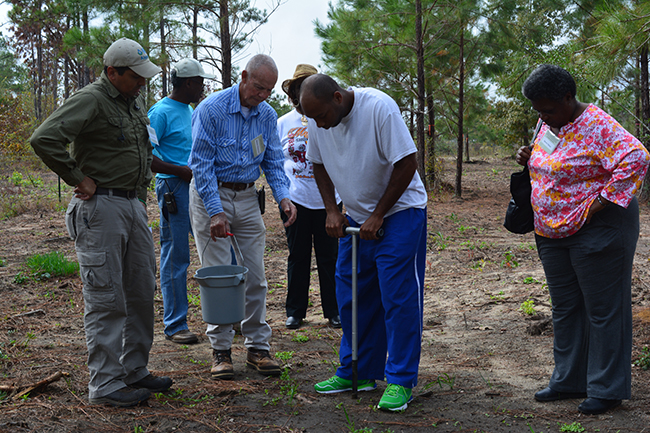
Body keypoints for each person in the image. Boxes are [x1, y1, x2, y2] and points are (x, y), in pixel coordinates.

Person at [29, 38, 173, 407]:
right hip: (101, 209)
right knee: (107, 298)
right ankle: (106, 384)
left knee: (141, 291)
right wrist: (78, 177)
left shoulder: (133, 101)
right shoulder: (91, 99)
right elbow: (44, 138)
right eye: (136, 76)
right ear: (112, 72)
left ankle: (133, 369)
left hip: (132, 205)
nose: (142, 82)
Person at [516, 64, 650, 415]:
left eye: (548, 108)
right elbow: (550, 154)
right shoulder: (551, 121)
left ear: (567, 97)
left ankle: (606, 388)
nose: (543, 116)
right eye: (538, 111)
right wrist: (529, 157)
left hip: (598, 229)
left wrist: (602, 202)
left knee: (604, 310)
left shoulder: (598, 124)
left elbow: (636, 157)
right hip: (551, 230)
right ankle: (569, 379)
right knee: (566, 308)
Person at [300, 74, 428, 412]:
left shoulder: (379, 108)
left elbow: (407, 162)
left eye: (322, 116)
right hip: (355, 217)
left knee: (397, 297)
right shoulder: (317, 118)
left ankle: (400, 380)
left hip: (400, 212)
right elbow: (318, 164)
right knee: (353, 294)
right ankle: (357, 370)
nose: (319, 125)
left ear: (338, 98)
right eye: (313, 118)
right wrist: (332, 209)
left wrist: (379, 214)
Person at [188, 54, 297, 380]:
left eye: (269, 90)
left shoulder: (266, 115)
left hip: (248, 197)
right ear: (244, 76)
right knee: (220, 275)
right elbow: (201, 164)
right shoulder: (211, 109)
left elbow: (274, 161)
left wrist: (283, 197)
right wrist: (216, 211)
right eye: (259, 88)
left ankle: (257, 348)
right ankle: (220, 350)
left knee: (255, 275)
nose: (263, 95)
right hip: (212, 196)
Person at [149, 58, 214, 345]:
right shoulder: (161, 112)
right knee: (176, 256)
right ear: (189, 83)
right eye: (200, 83)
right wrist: (180, 170)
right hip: (174, 188)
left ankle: (226, 315)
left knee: (215, 247)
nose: (203, 88)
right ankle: (175, 324)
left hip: (196, 186)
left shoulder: (190, 110)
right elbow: (146, 157)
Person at [277, 64, 341, 330]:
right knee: (298, 256)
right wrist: (283, 198)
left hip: (328, 202)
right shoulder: (282, 123)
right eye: (296, 87)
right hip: (296, 201)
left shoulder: (327, 118)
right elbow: (275, 161)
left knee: (329, 258)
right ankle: (295, 312)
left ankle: (334, 311)